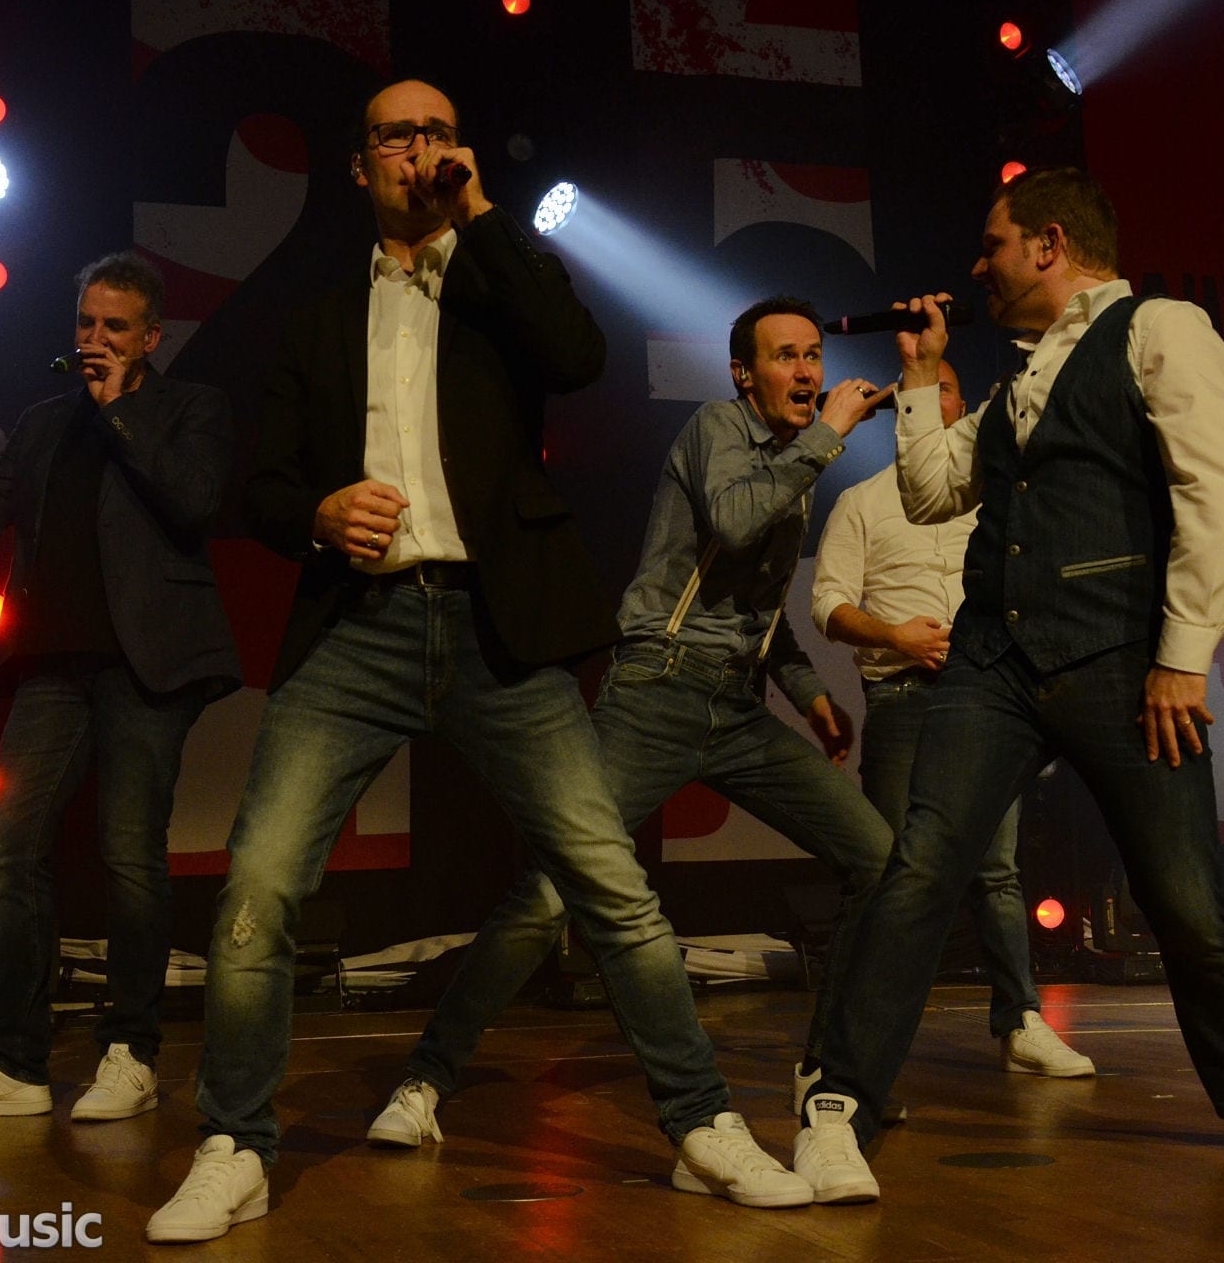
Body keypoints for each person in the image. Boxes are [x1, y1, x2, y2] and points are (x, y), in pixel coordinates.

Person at [146, 80, 812, 1245]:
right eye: (397, 135)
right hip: (357, 629)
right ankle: (235, 1143)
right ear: (361, 166)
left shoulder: (501, 284)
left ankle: (703, 1124)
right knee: (260, 881)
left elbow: (579, 354)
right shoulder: (316, 316)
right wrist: (319, 513)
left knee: (608, 884)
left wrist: (483, 216)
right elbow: (260, 488)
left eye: (438, 132)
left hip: (497, 629)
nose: (420, 149)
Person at [793, 167, 1224, 1205]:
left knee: (1183, 893)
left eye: (993, 246)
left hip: (1119, 657)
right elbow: (929, 492)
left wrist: (1182, 657)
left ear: (1049, 244)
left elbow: (1215, 489)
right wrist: (922, 374)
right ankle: (838, 1105)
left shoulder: (1162, 329)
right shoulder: (1016, 385)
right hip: (994, 662)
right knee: (920, 869)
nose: (978, 267)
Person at [367, 296, 896, 1152]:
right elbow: (735, 522)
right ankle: (425, 1078)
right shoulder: (717, 428)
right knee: (553, 893)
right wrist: (827, 437)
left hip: (736, 705)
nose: (807, 372)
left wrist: (808, 693)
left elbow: (759, 606)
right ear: (744, 373)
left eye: (813, 356)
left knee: (876, 858)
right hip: (658, 693)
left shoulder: (794, 462)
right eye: (786, 356)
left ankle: (830, 1071)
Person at [0, 252, 240, 1125]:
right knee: (6, 845)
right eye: (86, 323)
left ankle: (131, 1053)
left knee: (130, 854)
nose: (95, 338)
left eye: (115, 327)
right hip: (52, 664)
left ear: (151, 338)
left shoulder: (190, 408)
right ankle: (18, 1062)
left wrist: (120, 410)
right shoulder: (47, 420)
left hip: (146, 662)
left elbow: (194, 503)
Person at [810, 357, 1094, 1080]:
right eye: (920, 393)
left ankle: (1020, 1022)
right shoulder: (862, 503)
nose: (933, 404)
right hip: (902, 697)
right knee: (887, 869)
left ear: (964, 409)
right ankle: (852, 1045)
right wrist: (895, 635)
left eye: (946, 393)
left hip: (984, 697)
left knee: (995, 869)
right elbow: (827, 604)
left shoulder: (997, 499)